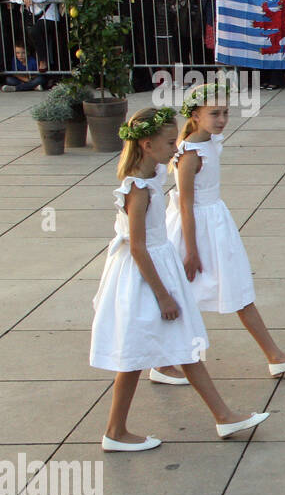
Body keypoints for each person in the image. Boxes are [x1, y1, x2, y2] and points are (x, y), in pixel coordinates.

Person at [90, 107, 271, 451]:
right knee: (164, 349)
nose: (177, 148)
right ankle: (218, 417)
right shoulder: (139, 190)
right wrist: (164, 295)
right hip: (146, 278)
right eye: (170, 142)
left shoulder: (151, 176)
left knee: (161, 350)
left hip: (156, 269)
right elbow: (138, 248)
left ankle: (219, 417)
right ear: (146, 145)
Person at [150, 85, 285, 385]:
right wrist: (191, 250)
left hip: (216, 222)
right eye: (214, 113)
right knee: (181, 296)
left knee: (238, 288)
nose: (222, 119)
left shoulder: (212, 142)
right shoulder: (189, 154)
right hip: (196, 228)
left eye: (226, 112)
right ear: (196, 115)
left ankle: (275, 356)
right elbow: (185, 204)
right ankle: (161, 363)